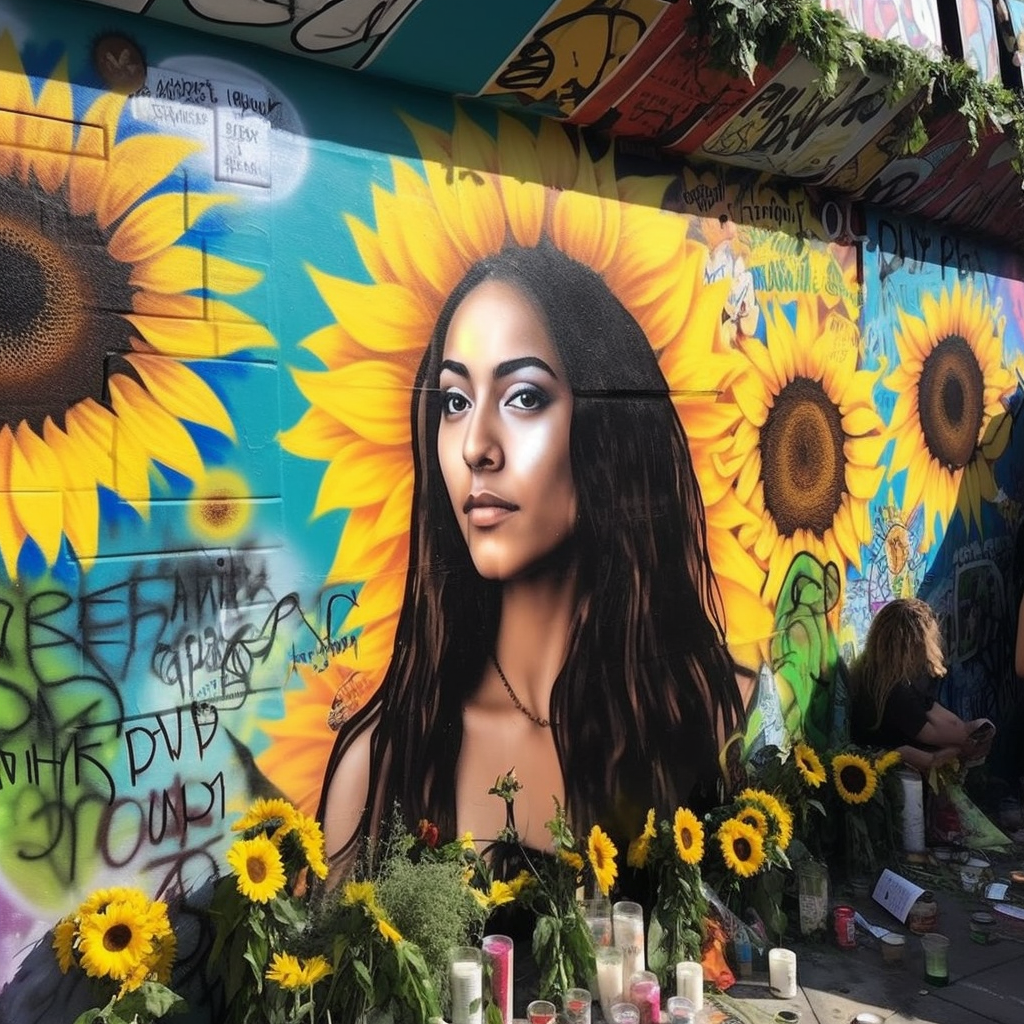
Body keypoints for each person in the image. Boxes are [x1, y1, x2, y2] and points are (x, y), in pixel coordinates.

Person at [317, 241, 750, 880]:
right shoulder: (382, 764)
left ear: (610, 429)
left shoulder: (711, 708)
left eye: (523, 397)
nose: (475, 448)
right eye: (455, 402)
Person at [851, 597, 994, 774]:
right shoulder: (896, 693)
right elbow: (953, 738)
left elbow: (951, 726)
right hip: (889, 779)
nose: (935, 646)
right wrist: (966, 744)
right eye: (931, 639)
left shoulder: (877, 677)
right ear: (915, 645)